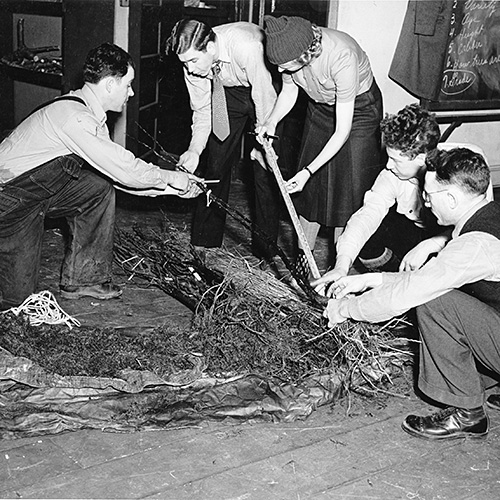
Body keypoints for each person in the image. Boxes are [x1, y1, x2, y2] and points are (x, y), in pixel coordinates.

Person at [0, 42, 201, 311]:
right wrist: (169, 176)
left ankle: (84, 279)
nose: (130, 92)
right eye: (128, 84)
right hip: (10, 202)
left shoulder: (89, 113)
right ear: (109, 84)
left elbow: (116, 175)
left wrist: (171, 189)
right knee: (17, 305)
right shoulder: (75, 118)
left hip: (37, 195)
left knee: (97, 188)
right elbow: (125, 168)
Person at [323, 147, 500, 441]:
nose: (425, 204)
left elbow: (410, 293)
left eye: (429, 196)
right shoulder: (490, 216)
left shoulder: (474, 245)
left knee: (435, 301)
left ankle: (467, 413)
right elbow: (425, 277)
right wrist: (368, 279)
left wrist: (345, 309)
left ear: (452, 199)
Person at [258, 15, 384, 277]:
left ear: (306, 55)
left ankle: (339, 271)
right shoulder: (292, 55)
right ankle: (304, 265)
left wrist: (307, 171)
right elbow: (290, 91)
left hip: (358, 113)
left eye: (284, 66)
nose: (280, 71)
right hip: (321, 108)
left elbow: (342, 132)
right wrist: (271, 121)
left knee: (347, 193)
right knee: (312, 195)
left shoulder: (342, 57)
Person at [166, 19, 281, 267]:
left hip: (265, 88)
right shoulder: (193, 64)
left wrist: (264, 145)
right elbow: (202, 109)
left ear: (210, 48)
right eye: (184, 63)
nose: (189, 69)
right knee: (215, 162)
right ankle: (205, 241)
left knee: (264, 169)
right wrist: (194, 150)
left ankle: (266, 251)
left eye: (192, 61)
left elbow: (264, 97)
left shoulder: (247, 46)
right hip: (227, 91)